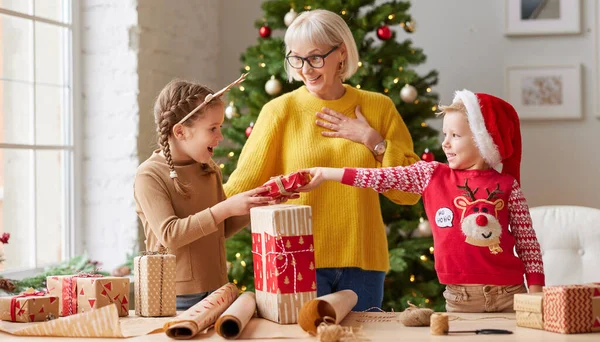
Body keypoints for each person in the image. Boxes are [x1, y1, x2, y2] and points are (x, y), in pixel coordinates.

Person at [224, 9, 421, 311]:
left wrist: (373, 141)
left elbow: (409, 191)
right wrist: (190, 216)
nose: (306, 69)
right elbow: (242, 184)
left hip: (363, 262)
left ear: (341, 52)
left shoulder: (378, 107)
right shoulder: (280, 111)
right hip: (295, 256)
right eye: (296, 58)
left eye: (315, 57)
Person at [299, 90, 545, 312]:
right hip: (460, 299)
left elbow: (528, 245)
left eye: (455, 135)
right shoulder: (430, 174)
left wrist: (535, 298)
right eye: (445, 134)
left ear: (483, 141)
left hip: (510, 295)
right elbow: (381, 177)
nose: (445, 143)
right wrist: (326, 173)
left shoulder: (508, 186)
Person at [134, 76, 273, 310]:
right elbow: (170, 235)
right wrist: (225, 208)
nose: (220, 137)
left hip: (219, 288)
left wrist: (258, 203)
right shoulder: (149, 175)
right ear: (180, 132)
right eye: (213, 129)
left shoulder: (208, 169)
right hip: (176, 296)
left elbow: (221, 228)